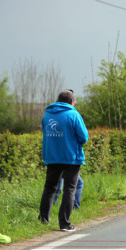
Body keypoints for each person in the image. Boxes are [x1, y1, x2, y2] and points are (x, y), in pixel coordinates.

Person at [38, 89, 89, 232]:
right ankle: (65, 224)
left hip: (52, 156)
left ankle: (43, 221)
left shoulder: (47, 115)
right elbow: (84, 138)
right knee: (69, 189)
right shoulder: (73, 114)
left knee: (49, 189)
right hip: (71, 157)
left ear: (58, 100)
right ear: (72, 102)